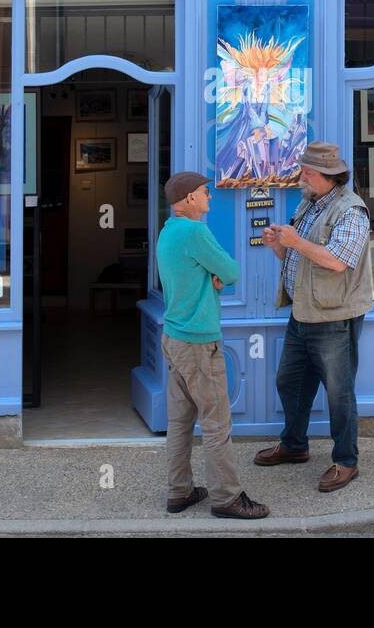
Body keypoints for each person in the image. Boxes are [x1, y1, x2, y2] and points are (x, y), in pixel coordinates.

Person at [257, 142, 372, 492]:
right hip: (302, 312)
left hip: (333, 317)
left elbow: (337, 261)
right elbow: (300, 260)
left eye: (308, 172)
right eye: (302, 170)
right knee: (289, 383)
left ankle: (346, 461)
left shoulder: (351, 210)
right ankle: (294, 445)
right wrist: (279, 245)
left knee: (339, 394)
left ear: (329, 176)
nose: (302, 177)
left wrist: (295, 242)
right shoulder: (309, 203)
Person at [155, 171, 269, 520]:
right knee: (217, 423)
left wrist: (209, 275)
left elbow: (200, 273)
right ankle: (227, 498)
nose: (209, 198)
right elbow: (232, 271)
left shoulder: (168, 232)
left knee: (180, 422)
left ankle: (180, 491)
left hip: (173, 336)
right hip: (198, 341)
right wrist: (216, 276)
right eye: (205, 193)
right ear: (189, 198)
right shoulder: (194, 231)